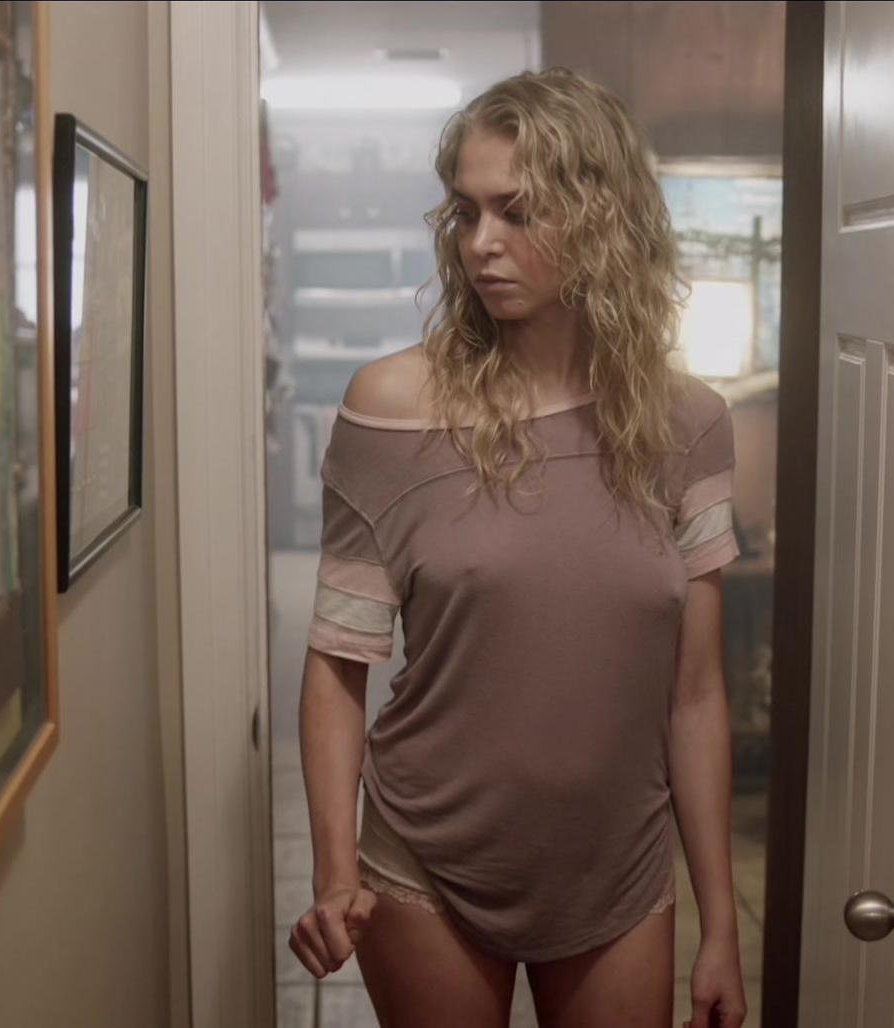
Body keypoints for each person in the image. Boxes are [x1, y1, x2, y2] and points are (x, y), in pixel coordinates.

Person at [290, 67, 748, 1028]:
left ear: (603, 217)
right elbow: (338, 663)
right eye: (466, 212)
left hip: (619, 868)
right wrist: (335, 873)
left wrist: (722, 926)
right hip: (429, 863)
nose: (480, 244)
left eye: (518, 211)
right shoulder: (391, 411)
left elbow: (697, 694)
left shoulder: (689, 425)